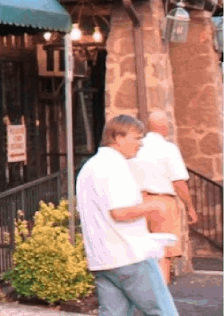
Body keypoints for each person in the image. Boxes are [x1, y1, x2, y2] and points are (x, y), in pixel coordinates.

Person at [75, 114, 179, 316]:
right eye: (137, 138)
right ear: (118, 138)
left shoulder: (88, 168)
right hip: (130, 256)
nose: (141, 144)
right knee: (164, 312)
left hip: (102, 260)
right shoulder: (115, 166)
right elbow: (119, 212)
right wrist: (154, 205)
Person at [129, 110, 198, 284]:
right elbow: (179, 182)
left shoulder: (136, 147)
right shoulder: (169, 149)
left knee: (140, 253)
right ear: (164, 126)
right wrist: (190, 207)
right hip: (163, 203)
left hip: (137, 202)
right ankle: (161, 299)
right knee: (164, 254)